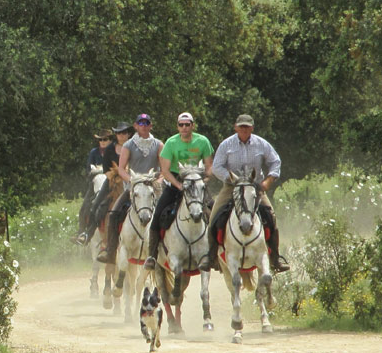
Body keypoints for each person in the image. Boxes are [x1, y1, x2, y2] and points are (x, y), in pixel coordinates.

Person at [205, 114, 288, 273]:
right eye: (241, 126)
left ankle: (275, 257)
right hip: (231, 187)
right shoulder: (226, 144)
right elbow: (217, 167)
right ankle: (211, 257)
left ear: (252, 128)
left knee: (271, 217)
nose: (244, 129)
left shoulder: (261, 144)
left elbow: (275, 161)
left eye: (247, 126)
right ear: (235, 127)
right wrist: (230, 178)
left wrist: (268, 181)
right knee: (214, 217)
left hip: (255, 187)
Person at [143, 112, 215, 270]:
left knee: (215, 211)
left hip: (197, 181)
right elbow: (165, 170)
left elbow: (209, 166)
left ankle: (215, 254)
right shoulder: (171, 142)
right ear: (177, 126)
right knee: (157, 214)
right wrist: (178, 185)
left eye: (187, 124)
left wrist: (203, 181)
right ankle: (152, 255)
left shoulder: (203, 141)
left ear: (192, 125)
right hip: (176, 181)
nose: (184, 127)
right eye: (181, 125)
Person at [95, 113, 163, 263]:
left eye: (147, 123)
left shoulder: (159, 144)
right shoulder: (128, 145)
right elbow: (121, 169)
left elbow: (164, 169)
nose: (144, 126)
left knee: (169, 212)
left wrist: (158, 180)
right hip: (134, 187)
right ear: (136, 126)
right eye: (141, 123)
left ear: (151, 125)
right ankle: (110, 251)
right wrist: (133, 181)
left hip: (153, 188)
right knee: (113, 214)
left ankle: (168, 248)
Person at [74, 122, 134, 245]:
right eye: (118, 133)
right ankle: (87, 234)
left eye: (123, 132)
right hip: (111, 180)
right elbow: (106, 169)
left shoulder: (134, 147)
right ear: (116, 135)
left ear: (128, 134)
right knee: (96, 205)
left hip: (131, 180)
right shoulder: (109, 149)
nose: (121, 135)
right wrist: (114, 177)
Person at [75, 131, 113, 238]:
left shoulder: (114, 151)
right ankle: (82, 232)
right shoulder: (94, 152)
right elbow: (88, 170)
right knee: (84, 207)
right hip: (96, 182)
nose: (102, 142)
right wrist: (95, 172)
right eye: (100, 140)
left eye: (105, 139)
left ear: (110, 140)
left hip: (111, 181)